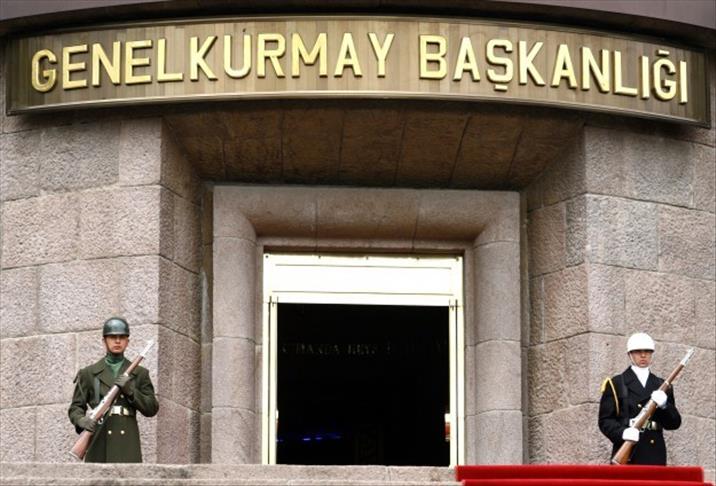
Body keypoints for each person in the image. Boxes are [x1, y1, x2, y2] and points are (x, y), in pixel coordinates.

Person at [68, 317, 159, 462]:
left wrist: (131, 391)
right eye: (112, 337)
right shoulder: (89, 373)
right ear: (104, 341)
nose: (117, 341)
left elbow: (152, 408)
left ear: (127, 341)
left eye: (122, 337)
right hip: (99, 438)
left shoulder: (140, 373)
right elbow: (76, 407)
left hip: (127, 442)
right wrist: (81, 420)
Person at [598, 332, 681, 465]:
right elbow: (605, 421)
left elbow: (674, 423)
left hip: (655, 451)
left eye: (647, 351)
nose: (643, 355)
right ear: (630, 354)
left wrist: (665, 405)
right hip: (629, 450)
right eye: (638, 352)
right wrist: (623, 433)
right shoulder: (616, 383)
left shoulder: (661, 385)